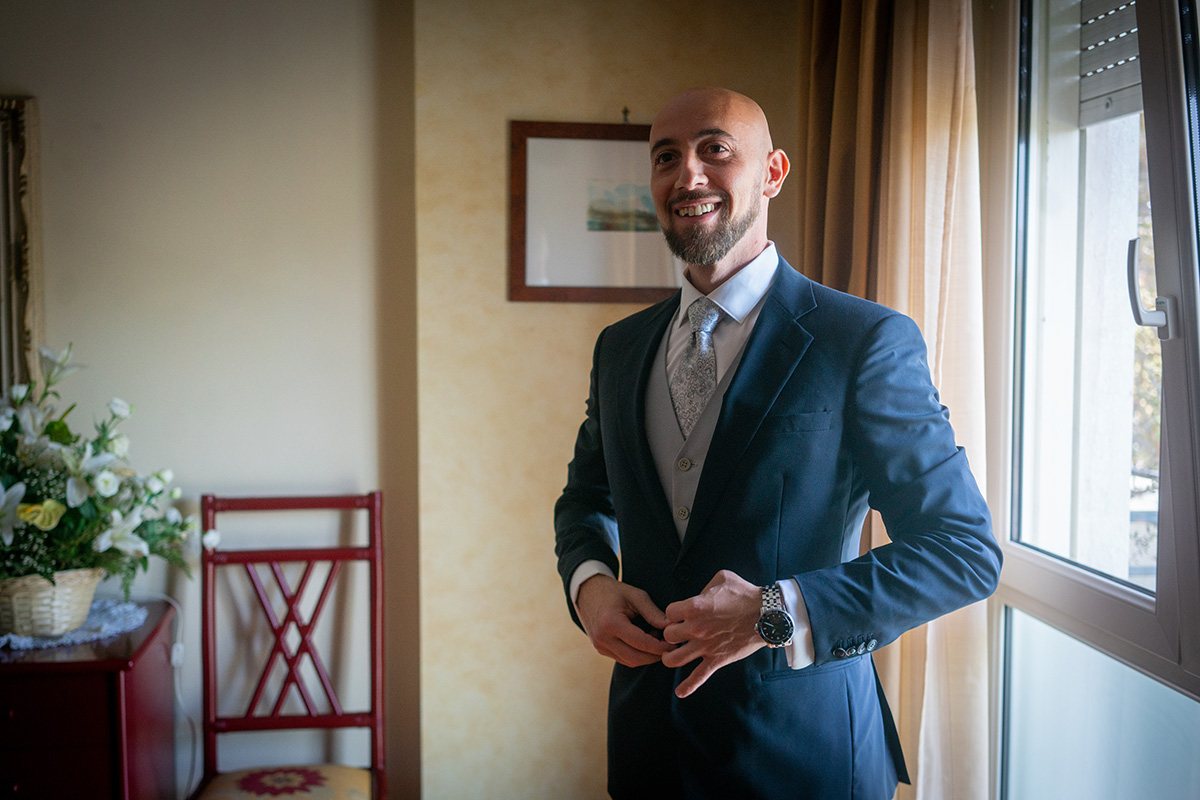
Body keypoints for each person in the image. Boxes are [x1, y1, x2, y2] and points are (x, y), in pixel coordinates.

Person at [553, 87, 1001, 799]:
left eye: (715, 149)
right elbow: (585, 499)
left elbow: (962, 550)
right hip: (649, 748)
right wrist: (591, 589)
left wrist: (772, 613)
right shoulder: (619, 348)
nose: (687, 175)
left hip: (805, 753)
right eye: (666, 157)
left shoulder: (862, 341)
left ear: (773, 172)